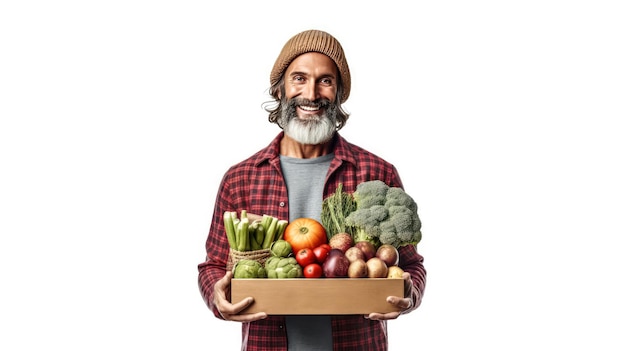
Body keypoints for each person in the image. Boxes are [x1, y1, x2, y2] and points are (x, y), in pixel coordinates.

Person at [198, 29, 426, 350]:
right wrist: (215, 295)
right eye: (299, 79)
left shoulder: (376, 172)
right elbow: (214, 266)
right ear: (280, 89)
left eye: (326, 81)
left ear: (339, 93)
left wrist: (410, 292)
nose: (311, 94)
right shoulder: (241, 177)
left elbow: (412, 265)